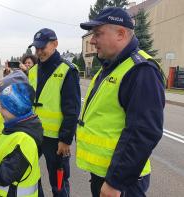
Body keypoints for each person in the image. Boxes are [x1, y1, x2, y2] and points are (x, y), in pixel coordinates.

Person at [77, 7, 165, 197]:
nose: (92, 41)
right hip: (106, 174)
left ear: (121, 34)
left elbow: (143, 132)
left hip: (122, 182)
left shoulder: (141, 70)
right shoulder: (111, 66)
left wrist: (116, 182)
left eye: (98, 34)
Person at [28, 28, 81, 197]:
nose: (39, 52)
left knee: (58, 182)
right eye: (36, 48)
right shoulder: (33, 71)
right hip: (34, 133)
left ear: (55, 44)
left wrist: (65, 139)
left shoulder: (67, 70)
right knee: (28, 173)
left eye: (43, 47)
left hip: (56, 139)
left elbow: (72, 109)